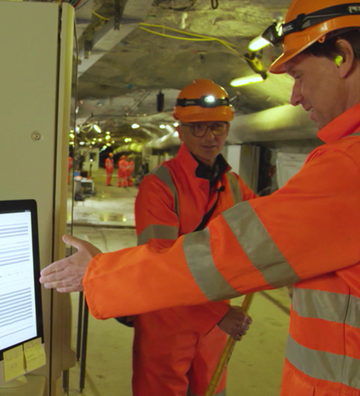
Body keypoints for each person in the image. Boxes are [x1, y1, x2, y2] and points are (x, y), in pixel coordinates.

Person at [41, 0, 360, 395]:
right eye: (200, 128)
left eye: (300, 75)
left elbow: (233, 251)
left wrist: (100, 274)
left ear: (342, 57)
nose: (295, 95)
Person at [127, 79, 256, 396]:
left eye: (218, 127)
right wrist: (219, 314)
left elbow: (269, 229)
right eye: (198, 128)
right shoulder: (160, 187)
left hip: (214, 328)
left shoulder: (234, 186)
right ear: (180, 130)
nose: (210, 137)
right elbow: (161, 266)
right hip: (166, 325)